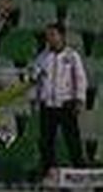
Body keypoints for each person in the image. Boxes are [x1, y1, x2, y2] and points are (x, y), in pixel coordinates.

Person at [30, 23, 89, 171]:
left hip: (66, 104)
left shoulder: (72, 56)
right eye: (47, 35)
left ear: (61, 36)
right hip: (48, 105)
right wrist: (35, 99)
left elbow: (80, 79)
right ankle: (49, 172)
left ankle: (80, 171)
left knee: (72, 141)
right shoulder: (42, 57)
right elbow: (34, 79)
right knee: (46, 142)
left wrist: (80, 100)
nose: (49, 38)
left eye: (52, 34)